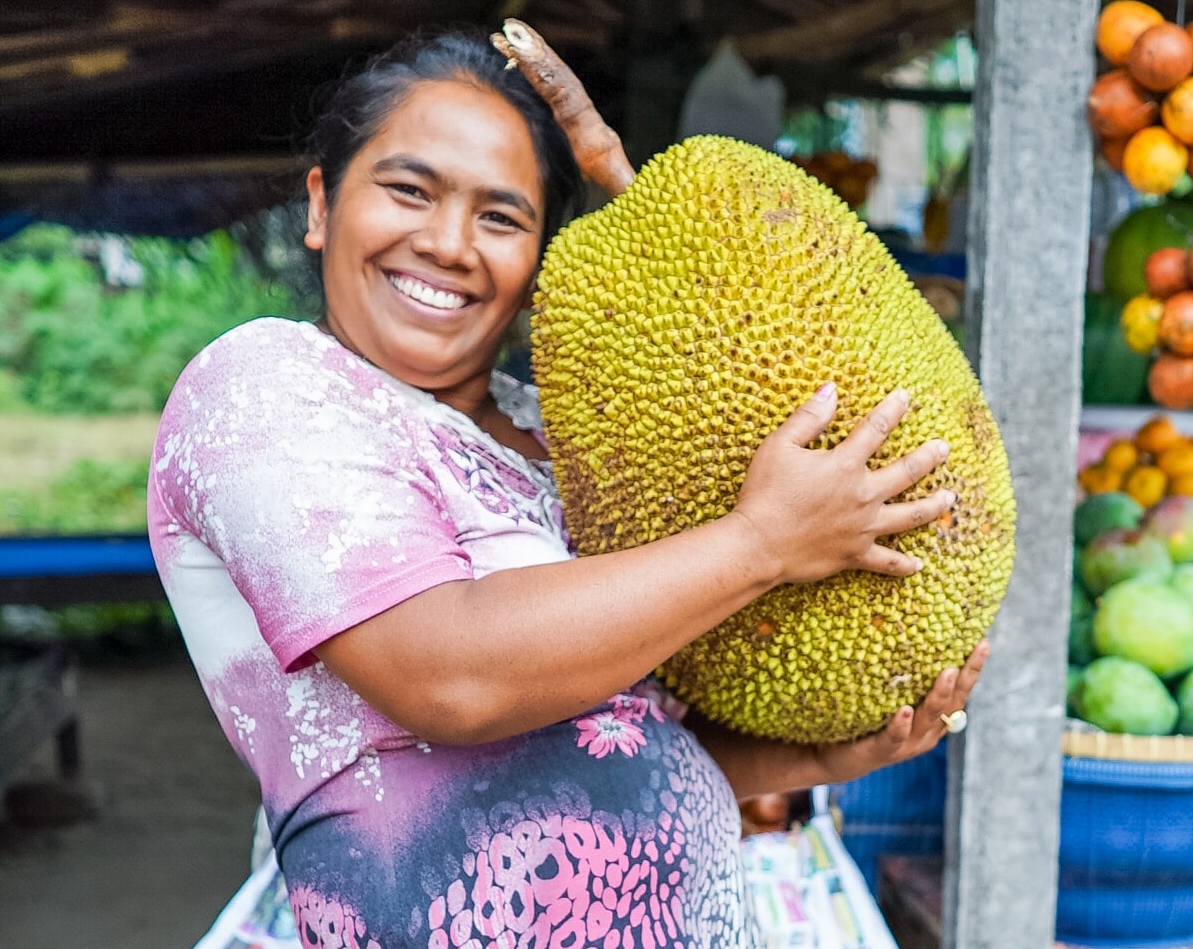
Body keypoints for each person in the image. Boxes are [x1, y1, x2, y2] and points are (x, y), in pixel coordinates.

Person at [149, 28, 987, 949]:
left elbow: (617, 739)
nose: (448, 243)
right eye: (408, 191)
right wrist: (760, 543)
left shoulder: (563, 432)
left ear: (542, 254)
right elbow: (452, 675)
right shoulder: (267, 387)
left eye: (502, 218)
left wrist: (812, 756)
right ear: (321, 203)